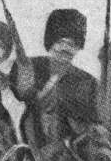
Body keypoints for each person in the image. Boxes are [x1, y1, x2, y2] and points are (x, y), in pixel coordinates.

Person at [11, 8, 99, 150]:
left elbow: (93, 121)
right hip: (32, 141)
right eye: (61, 42)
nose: (65, 48)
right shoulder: (30, 65)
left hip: (73, 148)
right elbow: (22, 94)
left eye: (71, 44)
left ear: (78, 47)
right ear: (50, 42)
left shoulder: (88, 81)